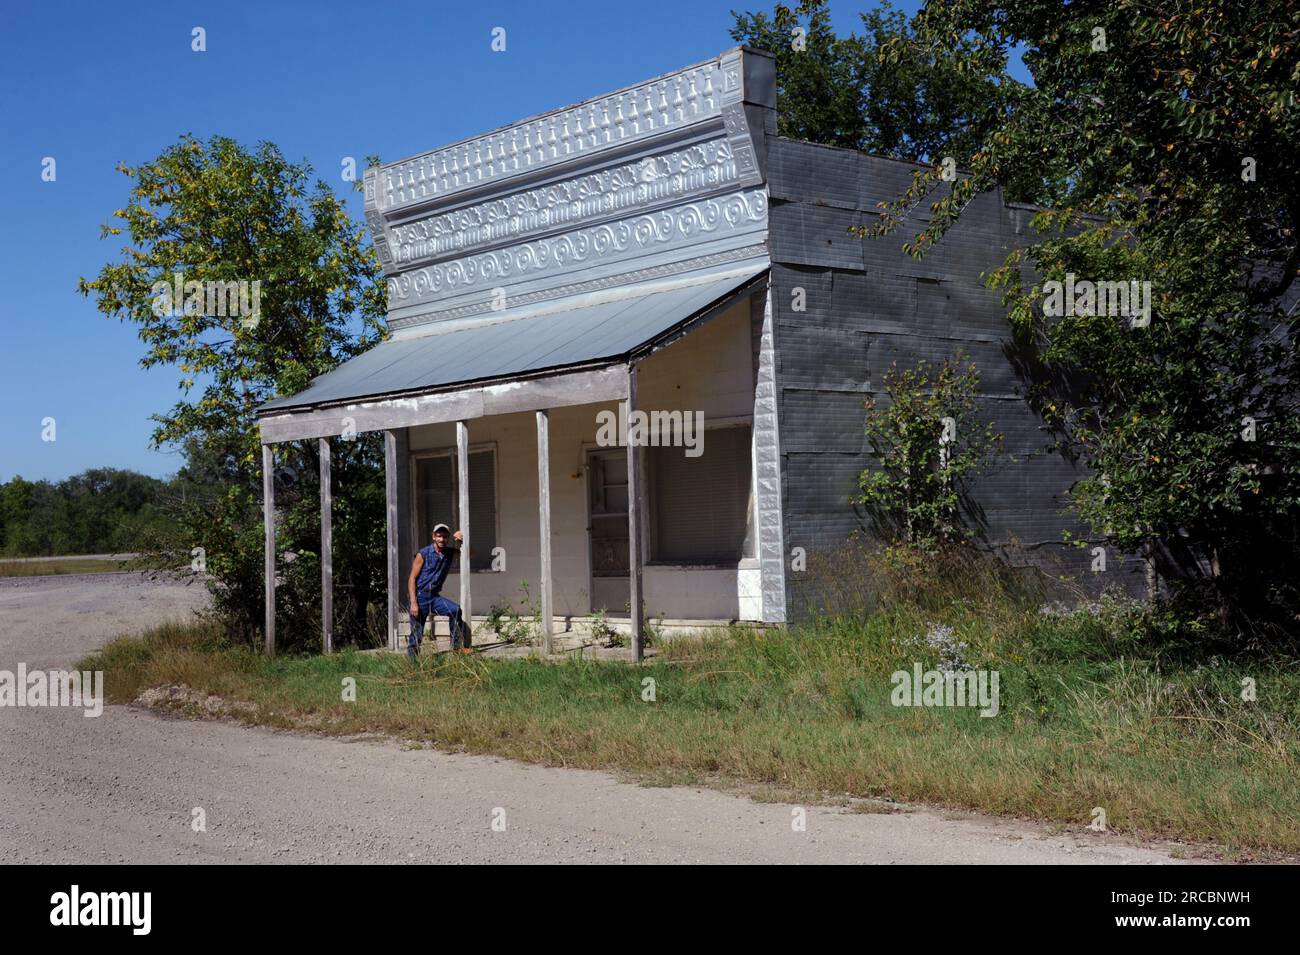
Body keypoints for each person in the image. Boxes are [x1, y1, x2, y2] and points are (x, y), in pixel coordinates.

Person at [407, 523, 471, 659]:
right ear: (433, 537)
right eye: (439, 536)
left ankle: (456, 648)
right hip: (420, 597)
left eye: (444, 537)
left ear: (448, 538)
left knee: (455, 610)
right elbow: (412, 578)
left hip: (434, 597)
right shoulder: (423, 554)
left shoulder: (448, 553)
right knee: (416, 631)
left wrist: (462, 541)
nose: (441, 539)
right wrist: (413, 602)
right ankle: (412, 662)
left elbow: (470, 554)